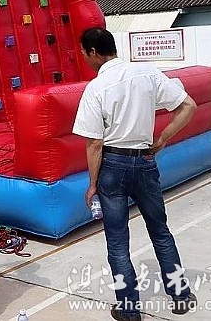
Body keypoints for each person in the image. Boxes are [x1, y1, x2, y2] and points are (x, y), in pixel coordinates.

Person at [72, 28, 198, 321]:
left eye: (84, 52)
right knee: (160, 231)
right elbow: (188, 106)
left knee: (118, 242)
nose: (84, 58)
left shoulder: (96, 88)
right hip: (144, 162)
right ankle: (180, 296)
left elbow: (94, 143)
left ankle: (129, 309)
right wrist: (162, 139)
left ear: (93, 52)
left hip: (113, 166)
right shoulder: (147, 74)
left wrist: (92, 184)